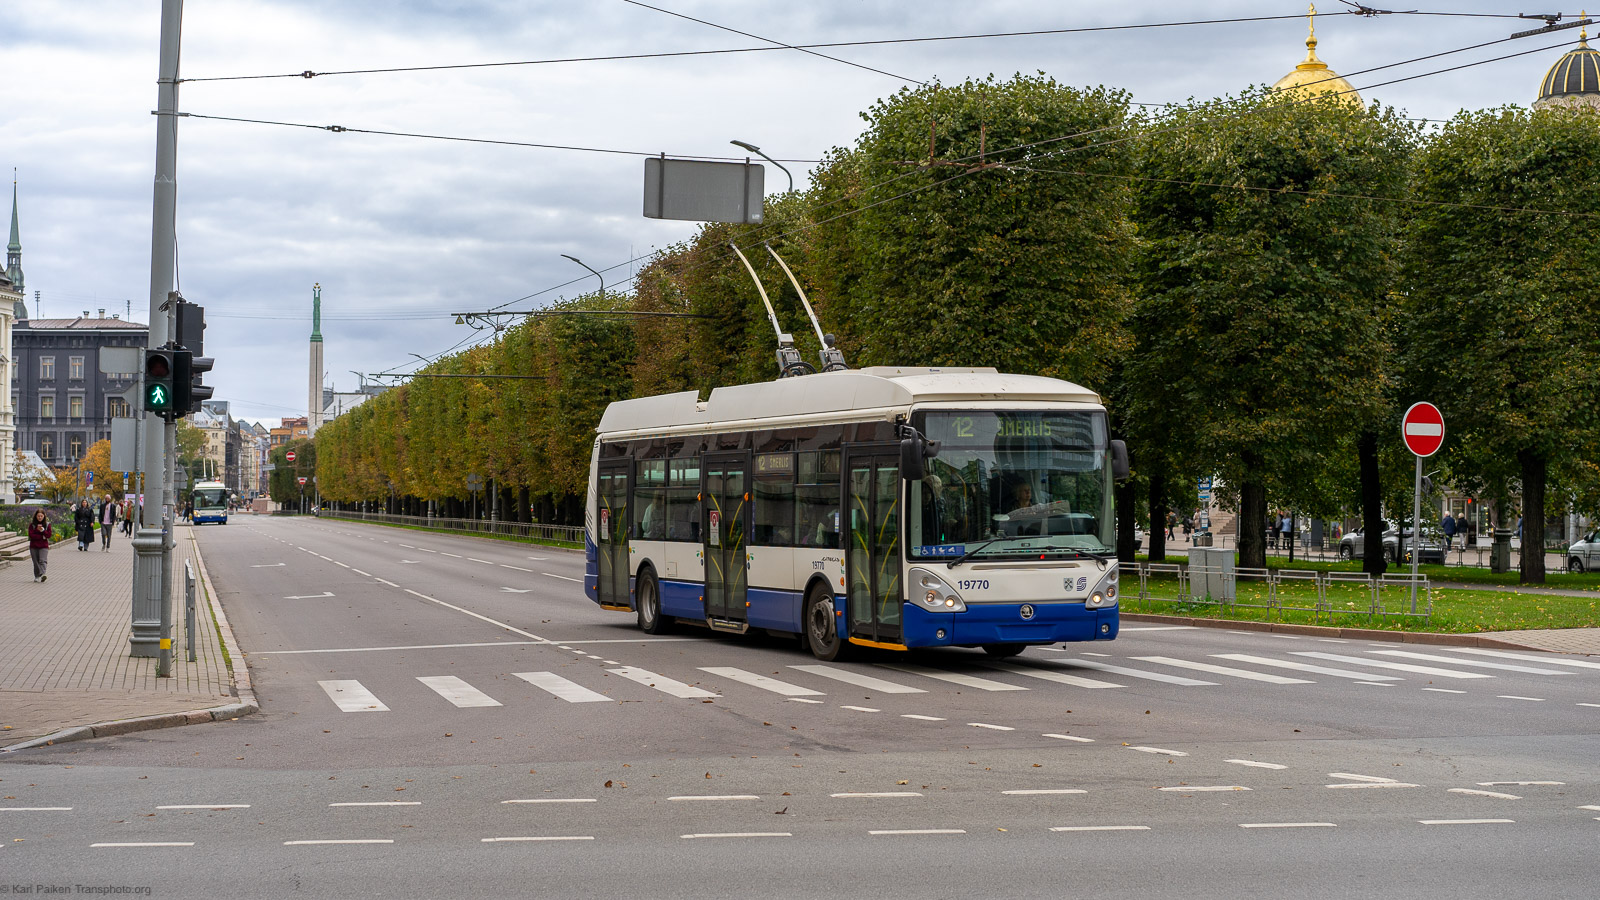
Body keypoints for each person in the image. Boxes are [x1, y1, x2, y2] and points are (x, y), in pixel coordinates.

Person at [28, 509, 51, 582]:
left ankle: (43, 574)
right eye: (38, 516)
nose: (40, 517)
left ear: (44, 516)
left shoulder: (47, 525)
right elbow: (31, 535)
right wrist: (39, 533)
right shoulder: (32, 525)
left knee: (42, 560)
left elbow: (48, 535)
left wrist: (43, 531)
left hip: (43, 546)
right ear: (36, 516)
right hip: (34, 546)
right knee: (36, 562)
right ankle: (37, 575)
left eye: (41, 516)